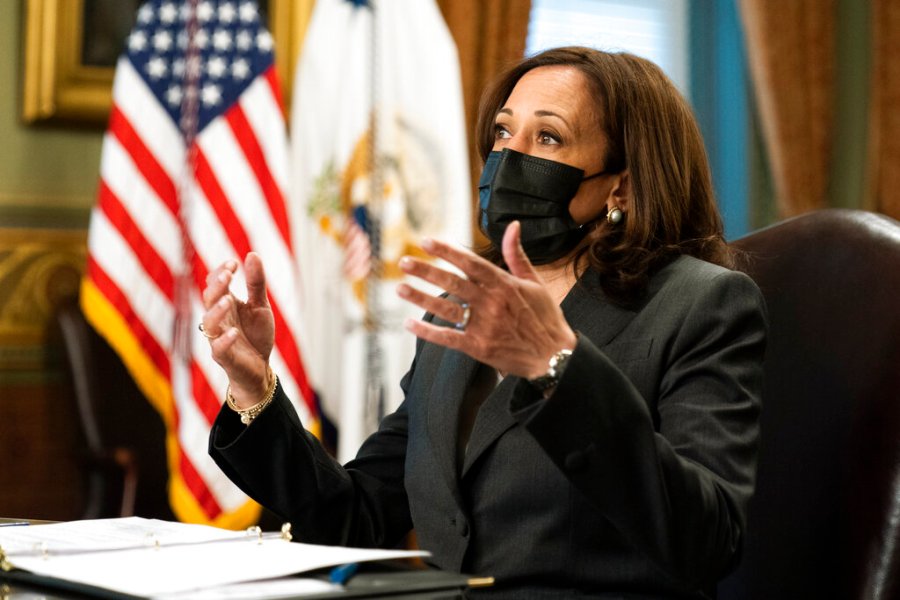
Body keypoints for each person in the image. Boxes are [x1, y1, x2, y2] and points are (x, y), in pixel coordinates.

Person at [201, 46, 767, 599]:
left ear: (620, 183)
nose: (508, 157)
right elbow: (360, 514)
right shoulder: (465, 304)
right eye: (502, 132)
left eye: (548, 136)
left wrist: (558, 370)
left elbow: (707, 541)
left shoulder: (701, 304)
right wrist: (254, 390)